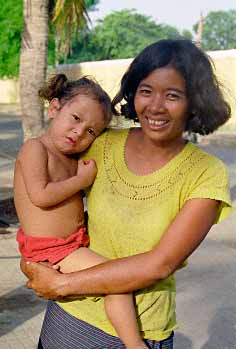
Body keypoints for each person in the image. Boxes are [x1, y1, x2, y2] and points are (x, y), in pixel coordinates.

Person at [21, 39, 232, 349]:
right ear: (134, 93)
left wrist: (60, 283)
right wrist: (33, 249)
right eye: (146, 91)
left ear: (195, 101)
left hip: (137, 329)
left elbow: (159, 264)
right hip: (67, 317)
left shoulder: (205, 172)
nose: (156, 106)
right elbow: (44, 181)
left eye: (172, 95)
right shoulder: (102, 145)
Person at [14, 74, 149, 349]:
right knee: (117, 281)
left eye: (91, 131)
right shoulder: (35, 148)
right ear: (54, 108)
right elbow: (41, 195)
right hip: (51, 250)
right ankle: (135, 345)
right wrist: (81, 181)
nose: (80, 132)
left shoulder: (72, 158)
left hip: (70, 245)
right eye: (76, 119)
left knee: (107, 280)